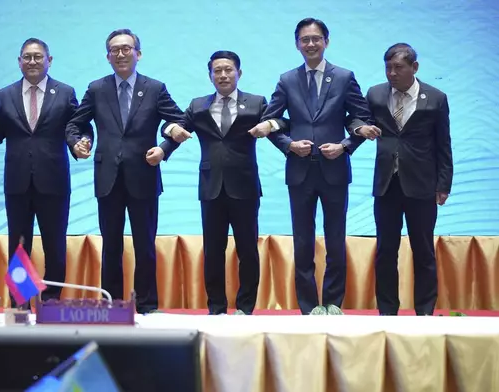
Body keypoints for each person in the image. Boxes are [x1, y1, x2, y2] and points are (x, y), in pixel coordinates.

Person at [250, 18, 376, 315]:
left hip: (335, 171)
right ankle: (308, 306)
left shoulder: (344, 77)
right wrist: (288, 145)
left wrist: (345, 146)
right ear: (297, 44)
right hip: (300, 171)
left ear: (326, 42)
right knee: (303, 240)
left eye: (316, 39)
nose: (310, 44)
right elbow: (273, 122)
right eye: (304, 40)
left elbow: (361, 119)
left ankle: (333, 302)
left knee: (335, 239)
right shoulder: (287, 80)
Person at [65, 29, 183, 314]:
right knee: (111, 248)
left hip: (144, 175)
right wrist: (78, 142)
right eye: (114, 50)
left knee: (145, 246)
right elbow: (75, 124)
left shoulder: (155, 88)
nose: (120, 54)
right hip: (108, 178)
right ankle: (112, 305)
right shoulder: (96, 88)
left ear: (138, 54)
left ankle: (147, 305)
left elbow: (179, 122)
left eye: (126, 49)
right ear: (107, 57)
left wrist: (164, 149)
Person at [0, 38, 89, 305]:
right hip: (17, 183)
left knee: (55, 245)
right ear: (19, 61)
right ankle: (19, 302)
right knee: (18, 247)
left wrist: (81, 142)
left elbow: (77, 125)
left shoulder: (65, 92)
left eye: (38, 57)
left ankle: (51, 301)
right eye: (27, 57)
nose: (32, 62)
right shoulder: (6, 94)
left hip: (54, 182)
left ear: (49, 60)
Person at [163, 50, 288, 315]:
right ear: (210, 76)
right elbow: (176, 127)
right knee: (213, 251)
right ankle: (216, 308)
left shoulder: (256, 103)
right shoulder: (198, 106)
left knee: (247, 250)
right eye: (217, 70)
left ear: (239, 73)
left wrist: (274, 129)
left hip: (245, 187)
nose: (223, 75)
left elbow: (281, 123)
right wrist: (165, 145)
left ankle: (245, 308)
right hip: (211, 188)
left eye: (228, 69)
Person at [356, 43, 453, 316]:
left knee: (423, 250)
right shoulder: (375, 94)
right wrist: (358, 129)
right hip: (386, 185)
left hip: (422, 185)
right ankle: (387, 311)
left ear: (414, 67)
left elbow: (443, 144)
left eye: (398, 67)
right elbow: (357, 122)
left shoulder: (435, 98)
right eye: (388, 67)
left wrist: (444, 183)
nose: (392, 73)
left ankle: (424, 312)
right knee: (386, 251)